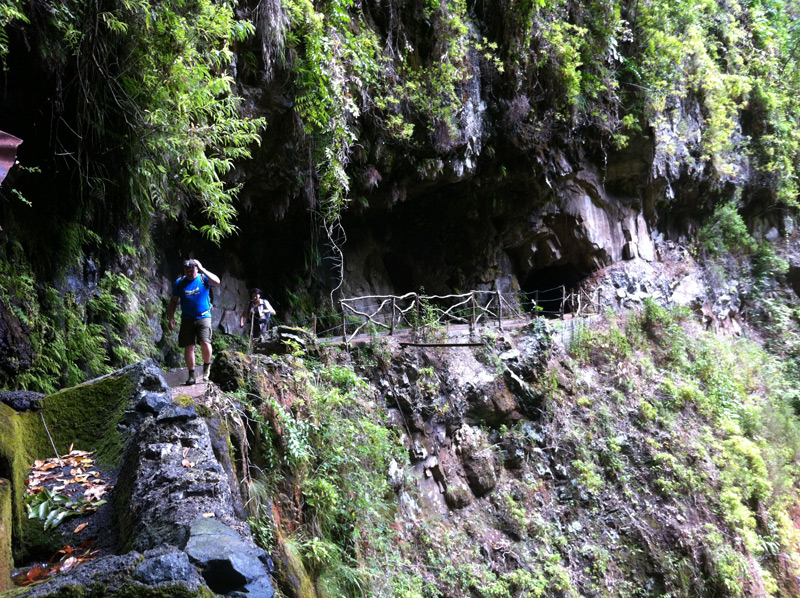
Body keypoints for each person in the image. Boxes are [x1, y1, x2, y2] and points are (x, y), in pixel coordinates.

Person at [167, 259, 221, 384]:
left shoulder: (203, 278)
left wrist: (202, 268)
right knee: (189, 346)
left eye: (192, 270)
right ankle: (191, 375)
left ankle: (206, 369)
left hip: (203, 316)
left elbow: (217, 282)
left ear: (196, 269)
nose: (189, 273)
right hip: (187, 318)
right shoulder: (180, 282)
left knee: (205, 342)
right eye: (187, 270)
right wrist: (171, 317)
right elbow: (174, 301)